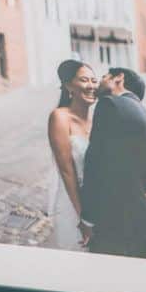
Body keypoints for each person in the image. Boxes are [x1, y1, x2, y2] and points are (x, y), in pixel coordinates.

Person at [80, 67, 146, 260]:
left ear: (119, 78)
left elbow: (94, 163)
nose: (99, 82)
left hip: (116, 227)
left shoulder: (109, 104)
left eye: (104, 77)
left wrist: (87, 218)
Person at [46, 59, 95, 250]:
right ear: (69, 86)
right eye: (84, 80)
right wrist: (84, 218)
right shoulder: (60, 117)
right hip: (72, 203)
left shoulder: (97, 118)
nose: (91, 86)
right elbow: (66, 170)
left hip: (96, 202)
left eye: (94, 80)